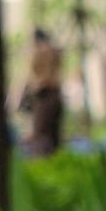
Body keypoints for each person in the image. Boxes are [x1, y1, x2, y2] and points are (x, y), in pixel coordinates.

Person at [23, 28, 64, 156]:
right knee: (53, 134)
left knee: (42, 134)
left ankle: (43, 162)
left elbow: (33, 68)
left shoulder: (39, 51)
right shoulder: (54, 50)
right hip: (55, 93)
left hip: (43, 93)